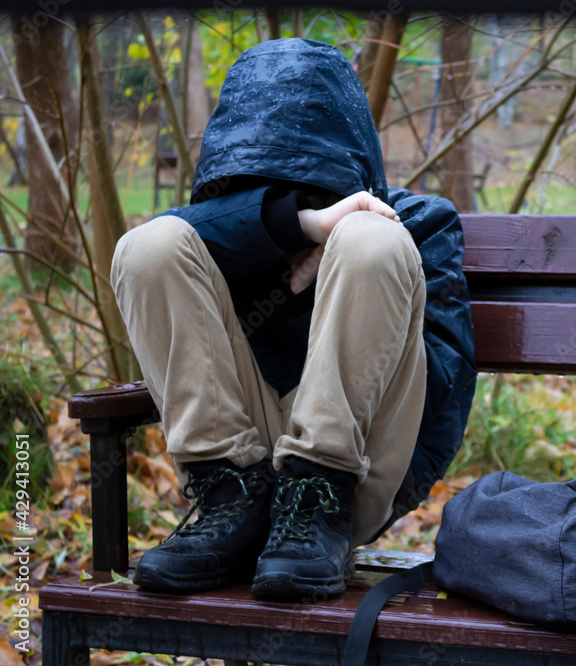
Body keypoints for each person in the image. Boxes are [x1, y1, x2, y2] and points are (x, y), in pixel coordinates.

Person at [110, 38, 476, 600]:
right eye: (260, 182)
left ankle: (314, 496)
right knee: (147, 247)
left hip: (356, 469)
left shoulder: (423, 222)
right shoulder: (221, 233)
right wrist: (298, 224)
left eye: (305, 183)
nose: (277, 192)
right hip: (240, 475)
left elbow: (443, 395)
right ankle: (231, 501)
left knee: (372, 238)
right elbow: (155, 250)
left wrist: (348, 251)